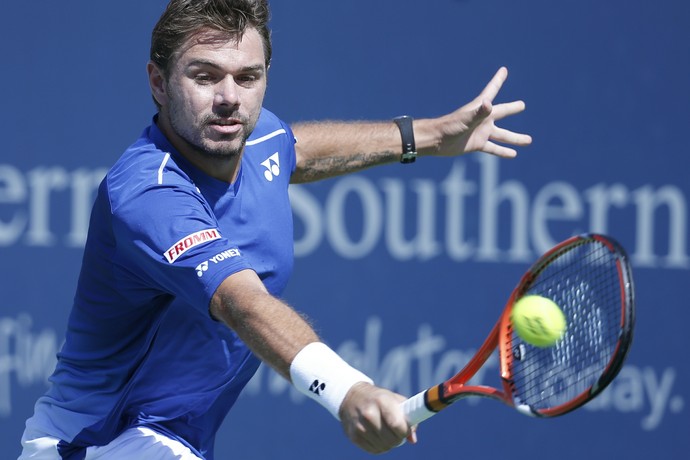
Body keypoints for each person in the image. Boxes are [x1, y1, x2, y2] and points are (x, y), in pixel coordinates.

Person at [18, 0, 531, 459]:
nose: (229, 98)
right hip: (100, 444)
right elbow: (244, 304)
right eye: (204, 76)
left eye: (247, 77)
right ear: (158, 82)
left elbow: (294, 149)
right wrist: (348, 390)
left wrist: (430, 135)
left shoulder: (253, 133)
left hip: (172, 438)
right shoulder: (148, 194)